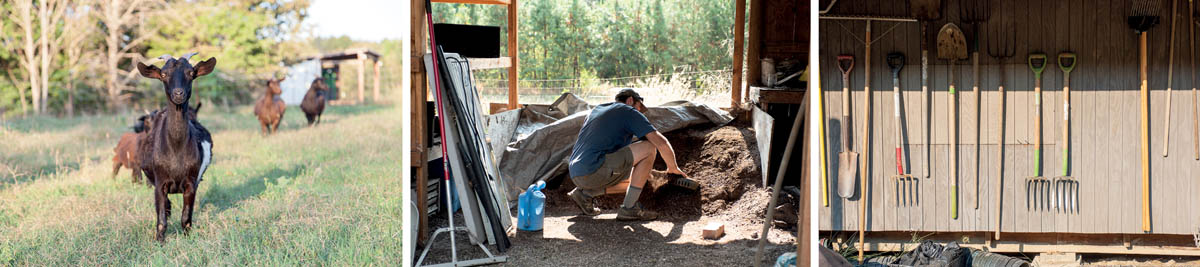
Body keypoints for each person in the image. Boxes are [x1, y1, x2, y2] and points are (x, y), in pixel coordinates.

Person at [567, 88, 688, 221]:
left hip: (576, 172)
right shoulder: (628, 111)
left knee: (632, 181)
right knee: (649, 147)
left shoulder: (598, 110)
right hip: (595, 168)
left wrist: (643, 173)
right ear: (630, 100)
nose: (640, 112)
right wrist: (672, 168)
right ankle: (629, 209)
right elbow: (661, 142)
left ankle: (584, 193)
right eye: (639, 107)